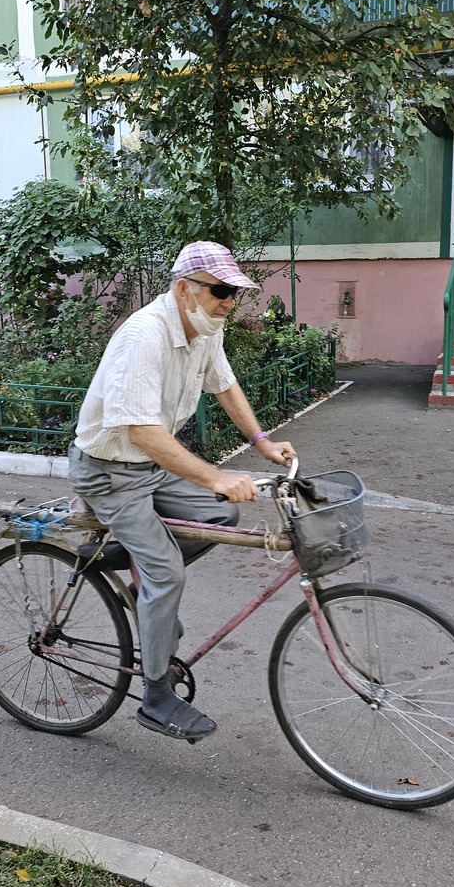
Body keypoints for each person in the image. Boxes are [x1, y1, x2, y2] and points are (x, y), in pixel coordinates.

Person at [68, 241, 295, 743]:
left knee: (222, 518)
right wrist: (216, 477)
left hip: (149, 466)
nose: (228, 302)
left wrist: (261, 442)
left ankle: (132, 568)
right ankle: (155, 698)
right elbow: (140, 431)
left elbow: (226, 386)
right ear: (183, 289)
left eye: (234, 293)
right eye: (220, 291)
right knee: (167, 572)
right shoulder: (143, 336)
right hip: (108, 470)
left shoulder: (204, 329)